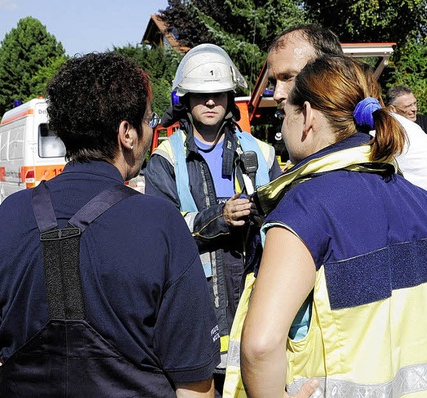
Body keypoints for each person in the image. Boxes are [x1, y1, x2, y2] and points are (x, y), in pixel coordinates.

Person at [0, 52, 220, 397]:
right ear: (126, 133)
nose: (151, 131)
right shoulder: (160, 223)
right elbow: (194, 385)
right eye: (149, 120)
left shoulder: (6, 216)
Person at [224, 54, 427, 397]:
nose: (282, 127)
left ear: (307, 116)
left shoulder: (306, 206)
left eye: (285, 115)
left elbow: (261, 346)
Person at [264, 24, 427, 316]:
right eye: (275, 80)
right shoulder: (310, 136)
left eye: (288, 77)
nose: (277, 93)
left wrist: (412, 294)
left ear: (328, 69)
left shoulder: (385, 129)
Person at [144, 44, 282, 395]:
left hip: (256, 295)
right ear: (186, 100)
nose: (210, 102)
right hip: (197, 302)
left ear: (229, 97)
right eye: (201, 95)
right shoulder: (166, 159)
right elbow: (161, 233)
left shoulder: (260, 153)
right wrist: (217, 218)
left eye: (218, 94)